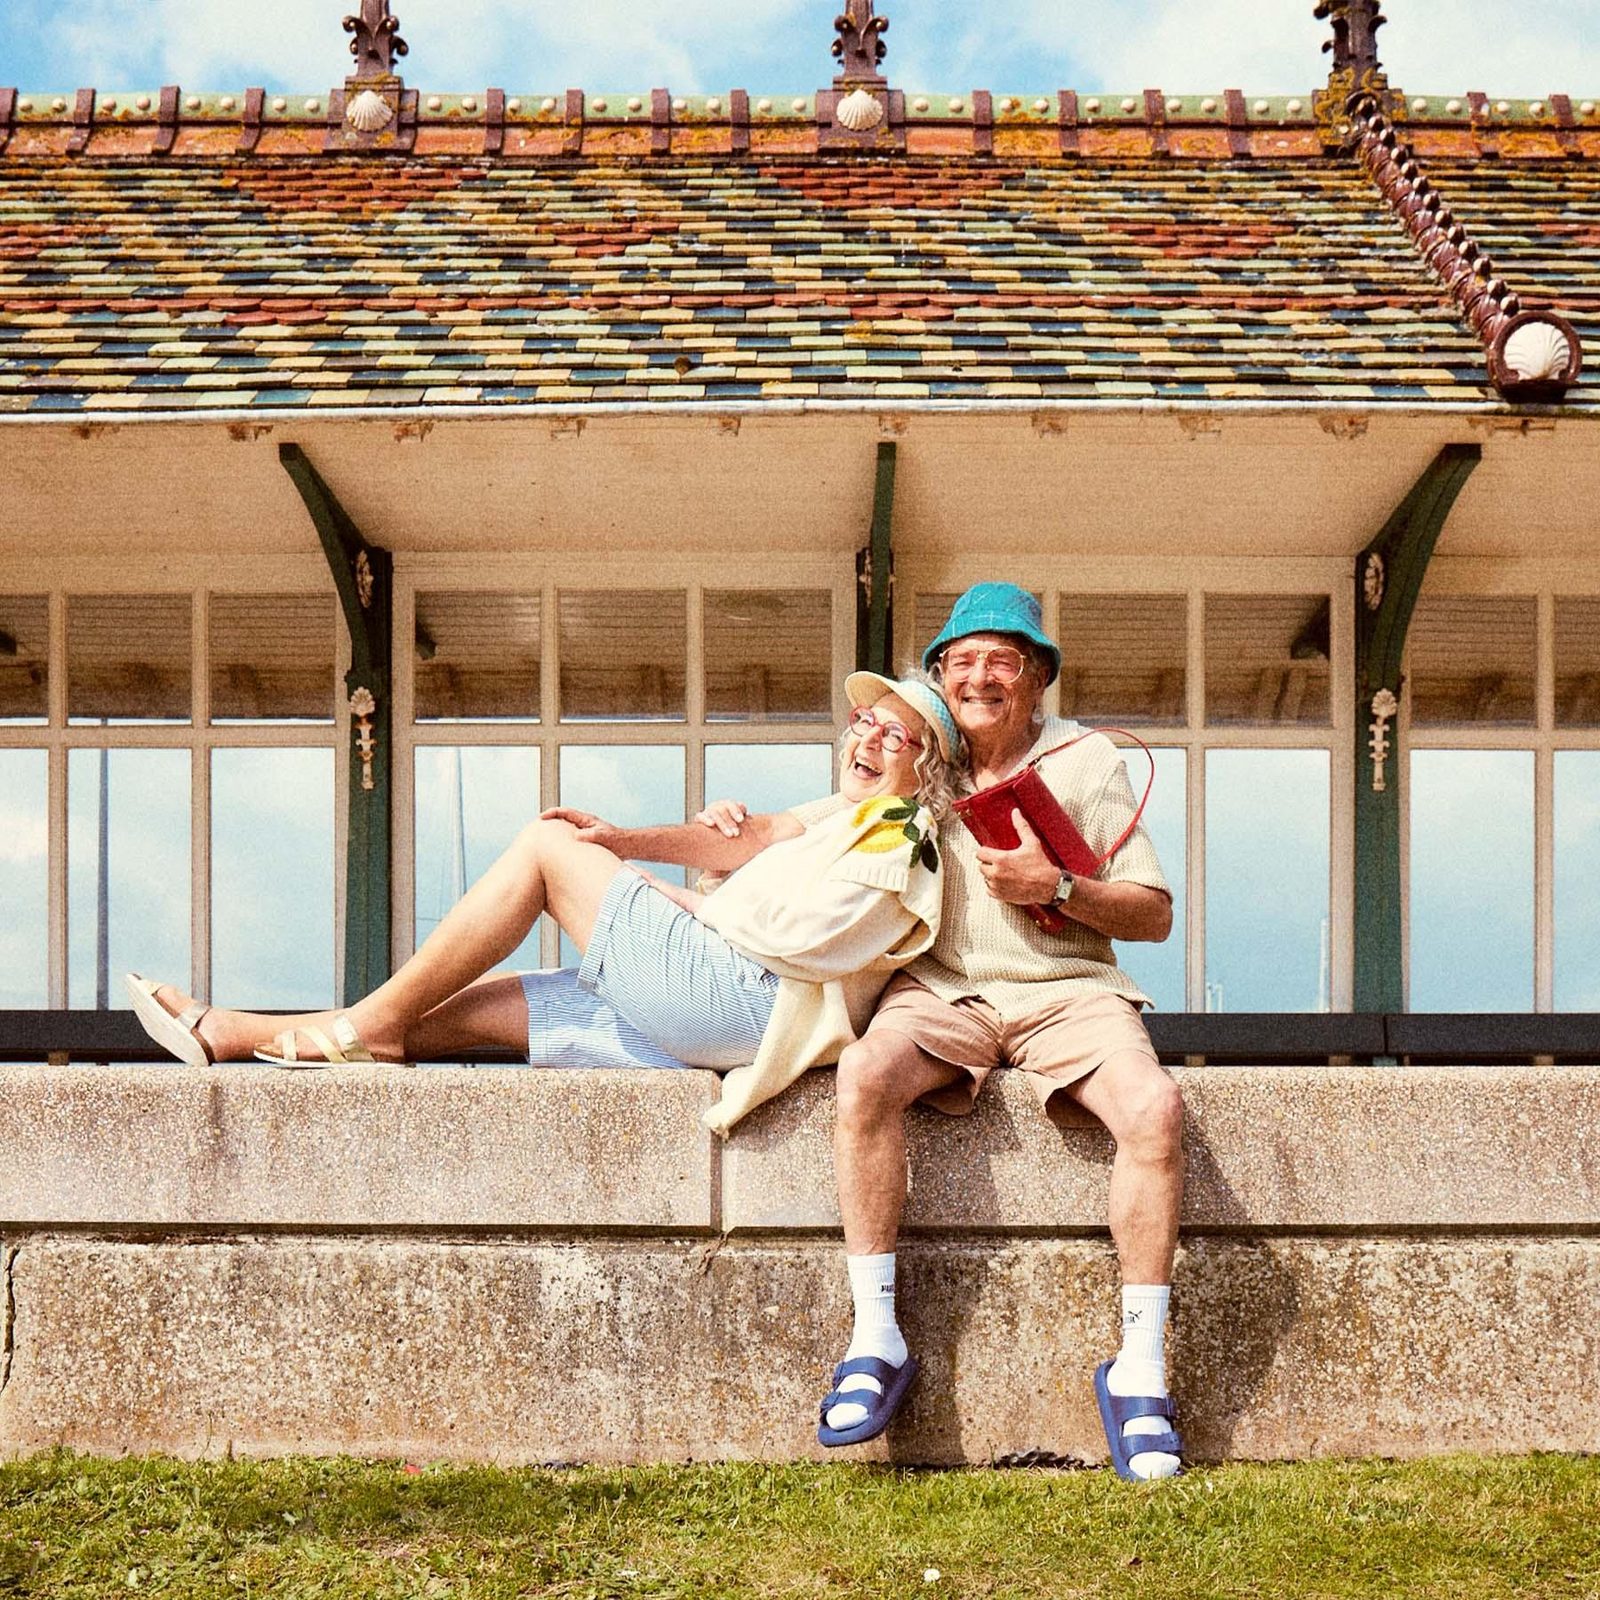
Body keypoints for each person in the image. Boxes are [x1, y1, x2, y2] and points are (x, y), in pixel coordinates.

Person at [702, 584, 1183, 1475]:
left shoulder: (1088, 762)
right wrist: (709, 819)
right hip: (941, 989)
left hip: (1068, 990)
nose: (979, 676)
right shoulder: (920, 758)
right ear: (938, 681)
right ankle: (876, 1336)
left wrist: (1060, 889)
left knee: (1154, 1109)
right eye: (960, 661)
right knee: (864, 1078)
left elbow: (1153, 915)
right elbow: (790, 827)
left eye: (1002, 659)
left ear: (1037, 679)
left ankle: (1140, 1367)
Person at [125, 671, 963, 1139]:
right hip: (721, 999)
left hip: (744, 1002)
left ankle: (363, 1028)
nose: (868, 740)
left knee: (543, 848)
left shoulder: (905, 835)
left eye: (896, 736)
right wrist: (626, 841)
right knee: (479, 1008)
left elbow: (805, 940)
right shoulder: (838, 818)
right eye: (863, 721)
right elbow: (750, 842)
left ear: (926, 768)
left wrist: (671, 899)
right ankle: (243, 1033)